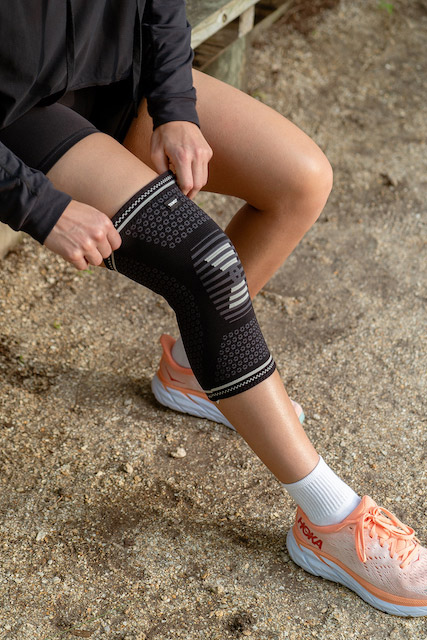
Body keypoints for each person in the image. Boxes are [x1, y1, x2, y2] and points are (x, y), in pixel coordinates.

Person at [0, 0, 425, 618]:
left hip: (120, 75)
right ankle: (330, 521)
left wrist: (173, 106)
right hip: (22, 115)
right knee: (206, 265)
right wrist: (38, 206)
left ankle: (200, 371)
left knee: (300, 179)